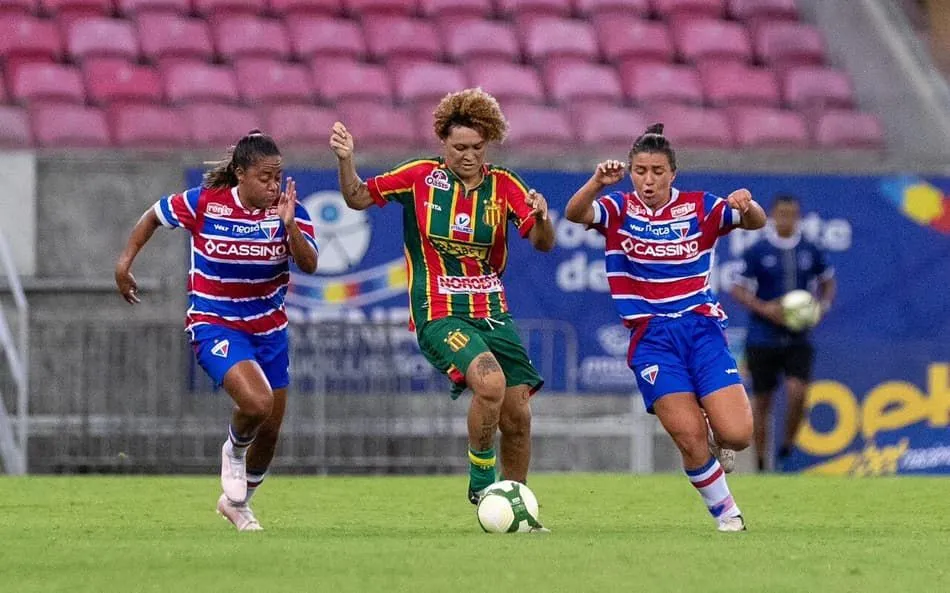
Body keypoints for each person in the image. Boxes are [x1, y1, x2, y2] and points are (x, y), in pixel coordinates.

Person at [329, 88, 555, 513]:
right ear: (442, 144)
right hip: (438, 311)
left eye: (477, 147)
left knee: (518, 417)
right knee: (489, 383)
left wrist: (542, 217)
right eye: (459, 148)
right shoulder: (419, 177)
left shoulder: (504, 185)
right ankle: (482, 476)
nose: (469, 156)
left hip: (492, 312)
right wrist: (346, 160)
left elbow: (542, 243)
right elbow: (357, 197)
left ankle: (516, 506)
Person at [564, 123, 766, 532]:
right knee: (688, 437)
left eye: (657, 171)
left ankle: (716, 430)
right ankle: (727, 514)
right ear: (631, 171)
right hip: (653, 338)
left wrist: (747, 204)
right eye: (640, 170)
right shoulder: (619, 209)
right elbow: (575, 213)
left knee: (739, 435)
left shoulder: (700, 206)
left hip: (701, 329)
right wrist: (597, 183)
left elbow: (755, 222)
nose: (648, 180)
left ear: (673, 172)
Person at [114, 131, 319, 531]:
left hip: (269, 329)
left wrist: (290, 227)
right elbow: (154, 214)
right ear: (240, 174)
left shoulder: (289, 211)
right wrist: (125, 263)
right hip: (215, 321)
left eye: (278, 176)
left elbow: (309, 264)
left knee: (272, 428)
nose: (273, 185)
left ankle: (238, 504)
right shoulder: (205, 203)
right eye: (265, 177)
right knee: (257, 404)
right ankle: (234, 449)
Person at [729, 194, 836, 472]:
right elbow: (738, 288)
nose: (787, 218)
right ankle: (762, 462)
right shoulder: (757, 250)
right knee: (762, 401)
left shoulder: (810, 249)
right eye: (782, 213)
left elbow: (827, 283)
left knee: (797, 391)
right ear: (773, 216)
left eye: (792, 214)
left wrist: (820, 308)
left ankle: (788, 444)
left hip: (797, 336)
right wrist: (765, 308)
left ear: (798, 217)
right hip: (762, 336)